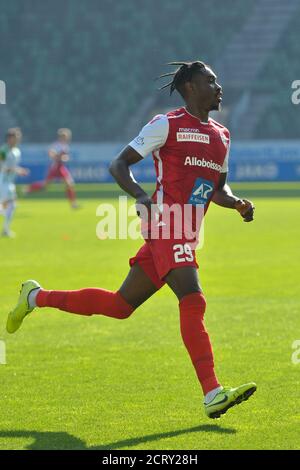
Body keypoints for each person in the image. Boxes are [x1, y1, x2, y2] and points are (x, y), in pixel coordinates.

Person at [7, 61, 256, 419]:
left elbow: (217, 187)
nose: (219, 87)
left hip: (186, 230)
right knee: (193, 298)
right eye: (210, 81)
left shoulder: (223, 135)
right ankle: (212, 393)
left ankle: (35, 296)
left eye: (217, 81)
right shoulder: (166, 125)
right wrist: (142, 198)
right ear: (189, 86)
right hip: (165, 224)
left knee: (120, 306)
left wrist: (236, 203)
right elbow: (118, 164)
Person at [25, 128, 78, 208]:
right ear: (60, 137)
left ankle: (73, 204)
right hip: (55, 167)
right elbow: (51, 153)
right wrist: (58, 157)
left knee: (70, 184)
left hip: (61, 167)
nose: (66, 138)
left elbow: (65, 157)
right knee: (44, 186)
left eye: (67, 137)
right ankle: (30, 188)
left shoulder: (65, 146)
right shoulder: (56, 145)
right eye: (64, 136)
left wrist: (65, 158)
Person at [0, 128, 28, 237]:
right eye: (15, 137)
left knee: (11, 205)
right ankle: (6, 229)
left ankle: (6, 230)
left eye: (18, 137)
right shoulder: (3, 151)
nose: (17, 140)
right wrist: (16, 170)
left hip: (9, 182)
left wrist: (19, 170)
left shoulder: (17, 152)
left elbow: (13, 166)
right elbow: (1, 166)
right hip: (2, 180)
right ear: (9, 138)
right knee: (7, 204)